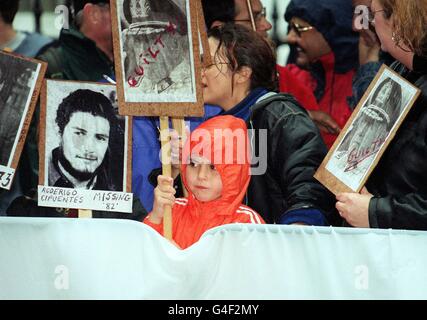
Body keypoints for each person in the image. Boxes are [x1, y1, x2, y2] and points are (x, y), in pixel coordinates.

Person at [204, 24, 337, 225]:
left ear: (242, 73)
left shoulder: (281, 117)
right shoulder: (213, 128)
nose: (199, 73)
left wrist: (291, 234)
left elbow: (311, 188)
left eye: (208, 64)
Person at [336, 0, 427, 230]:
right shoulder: (401, 72)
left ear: (396, 21)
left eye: (372, 13)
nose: (370, 22)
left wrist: (375, 212)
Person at [144, 115, 265, 249]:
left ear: (234, 172)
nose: (201, 175)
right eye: (193, 164)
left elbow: (251, 268)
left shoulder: (246, 224)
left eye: (213, 167)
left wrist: (182, 259)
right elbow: (140, 256)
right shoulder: (172, 208)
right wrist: (156, 217)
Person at [279, 0, 359, 149]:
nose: (289, 38)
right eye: (289, 28)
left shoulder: (363, 83)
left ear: (332, 31)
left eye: (299, 29)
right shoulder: (288, 77)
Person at [48, 89, 121, 191]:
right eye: (79, 133)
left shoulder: (117, 187)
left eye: (100, 138)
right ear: (59, 131)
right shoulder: (36, 178)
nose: (89, 147)